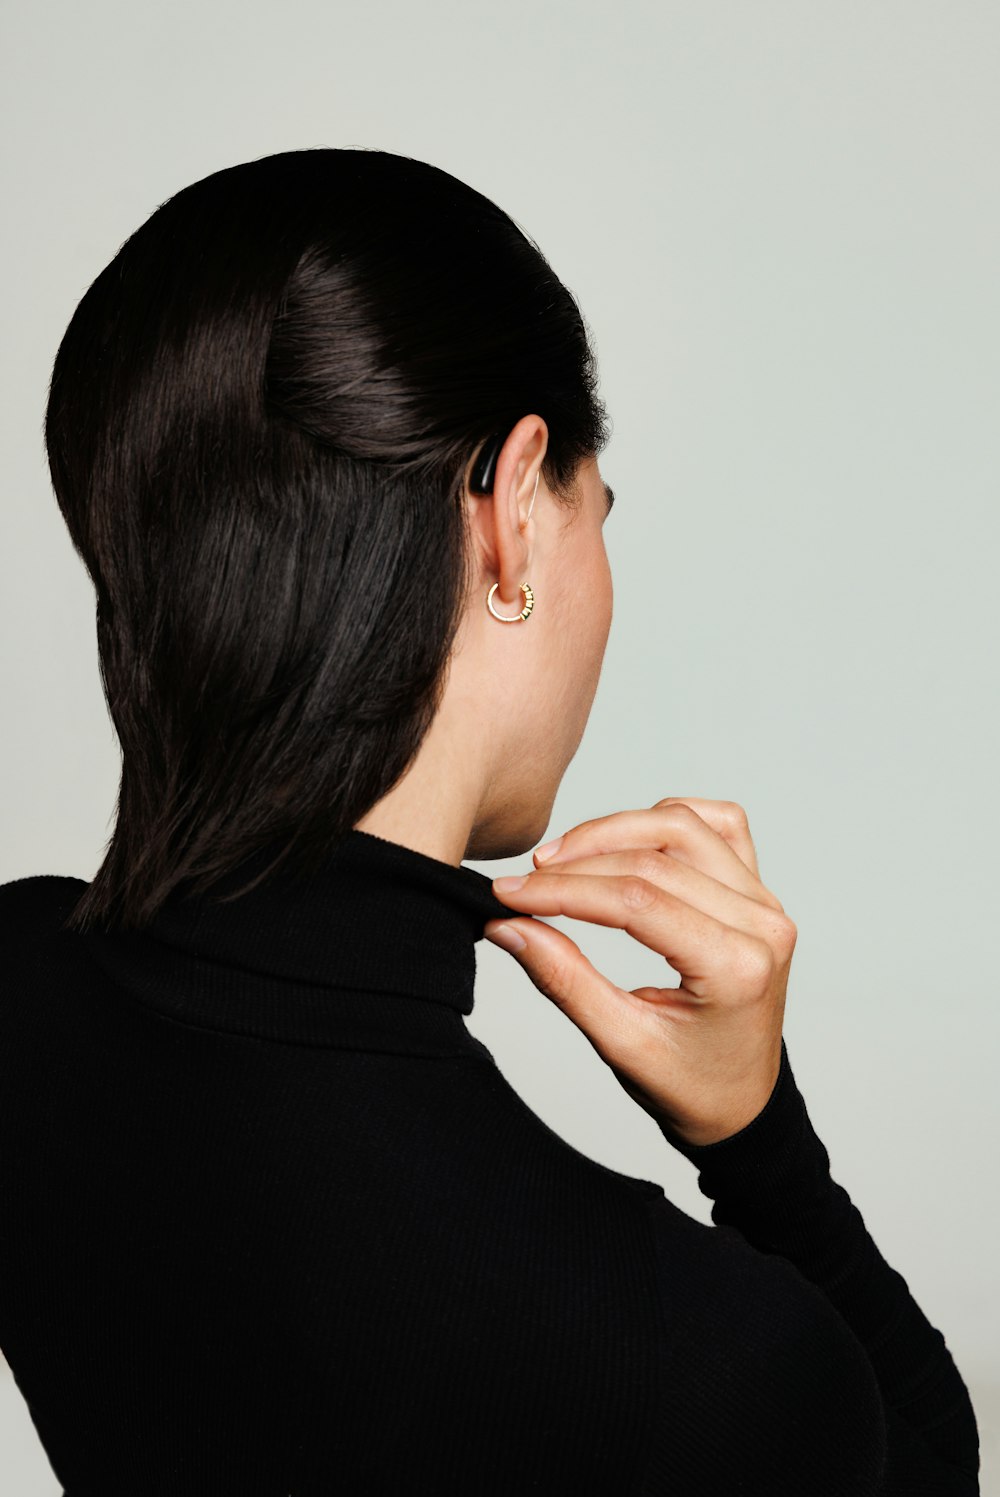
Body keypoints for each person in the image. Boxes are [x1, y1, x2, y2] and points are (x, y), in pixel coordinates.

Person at [0, 147, 979, 1495]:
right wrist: (764, 1151)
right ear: (515, 509)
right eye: (595, 512)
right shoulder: (697, 1360)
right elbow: (930, 1461)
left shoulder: (21, 989)